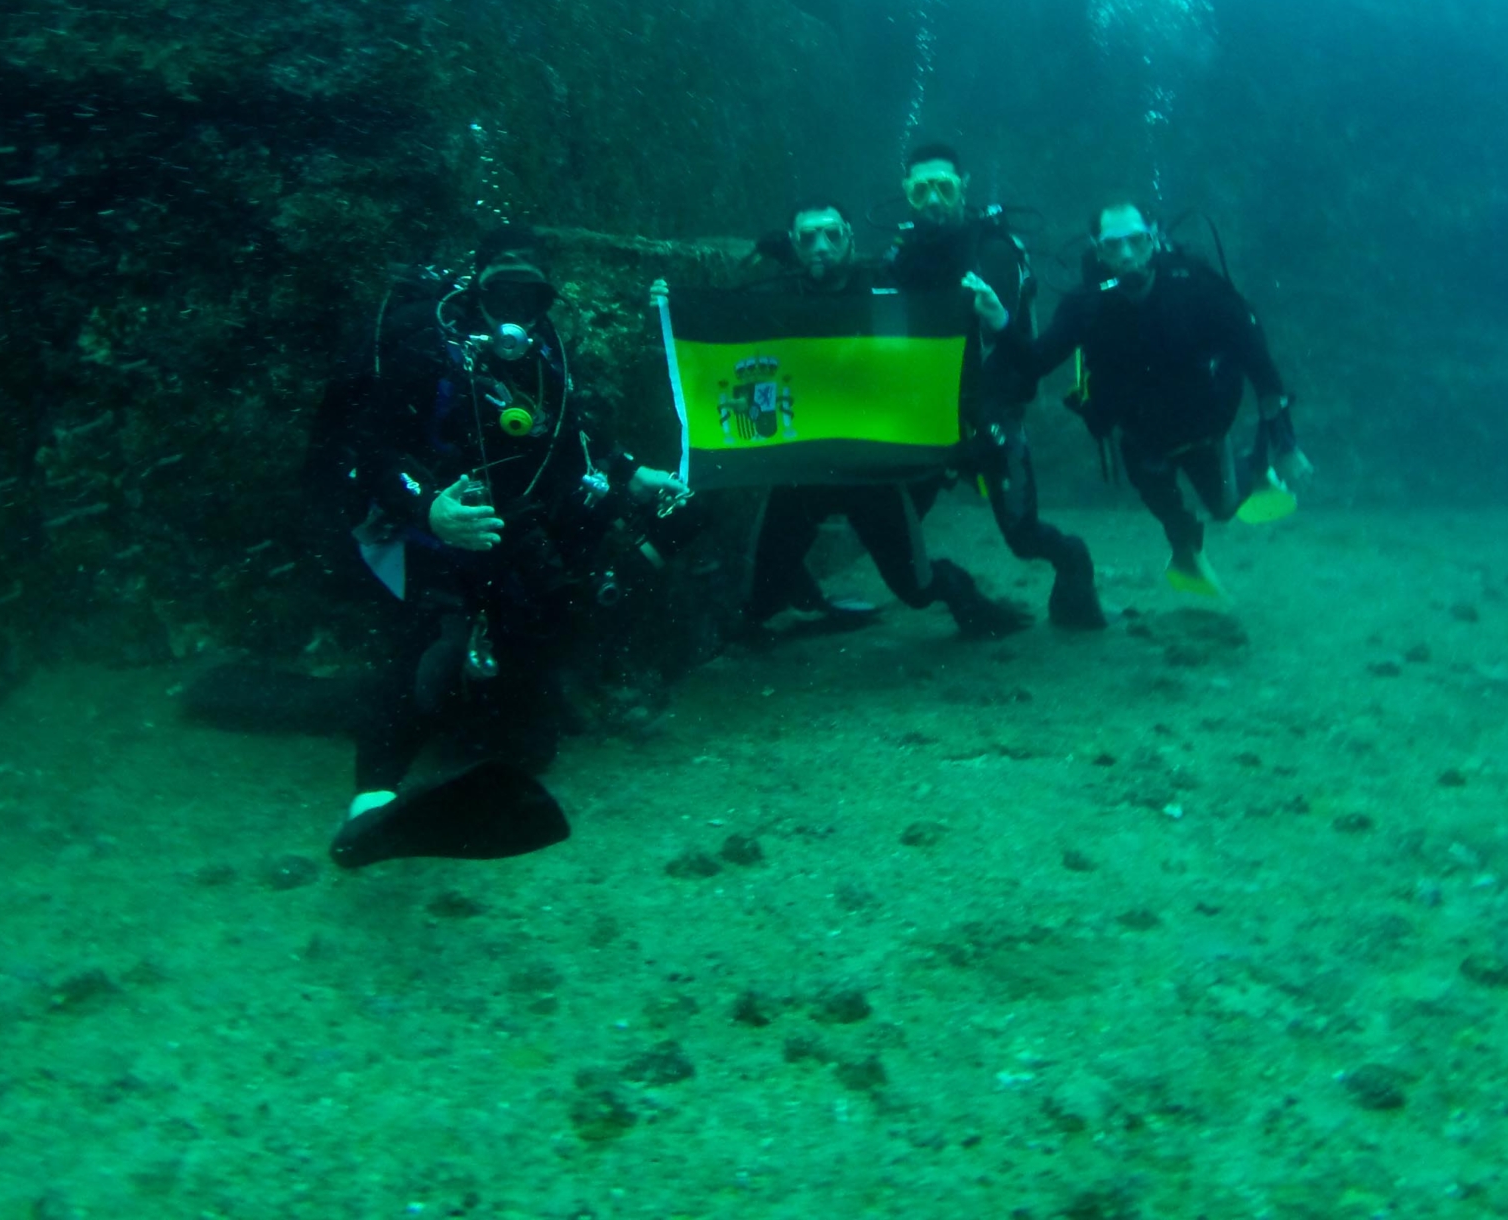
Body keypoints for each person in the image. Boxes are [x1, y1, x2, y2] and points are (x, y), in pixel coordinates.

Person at [332, 224, 687, 866]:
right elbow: (375, 448)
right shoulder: (427, 348)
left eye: (529, 301)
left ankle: (487, 711)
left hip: (511, 532)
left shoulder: (547, 351)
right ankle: (369, 805)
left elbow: (577, 436)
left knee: (531, 740)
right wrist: (429, 509)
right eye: (503, 299)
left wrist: (632, 473)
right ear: (477, 291)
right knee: (431, 642)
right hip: (432, 532)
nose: (515, 319)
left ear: (544, 301)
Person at [733, 204, 1031, 640]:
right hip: (803, 469)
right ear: (794, 246)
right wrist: (671, 310)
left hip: (872, 471)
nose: (822, 247)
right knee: (756, 600)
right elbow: (726, 336)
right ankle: (803, 596)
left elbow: (927, 350)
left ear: (851, 239)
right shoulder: (776, 296)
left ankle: (968, 599)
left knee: (918, 587)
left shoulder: (887, 289)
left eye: (832, 235)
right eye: (809, 238)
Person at [1011, 201, 1309, 593]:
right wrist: (1002, 323)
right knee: (1168, 510)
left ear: (1153, 239)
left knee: (1223, 507)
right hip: (1142, 435)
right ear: (1097, 250)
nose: (1127, 255)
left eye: (1136, 241)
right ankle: (1186, 545)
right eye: (1113, 246)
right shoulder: (1086, 306)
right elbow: (1037, 361)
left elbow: (1256, 358)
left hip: (1203, 429)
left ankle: (1255, 470)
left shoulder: (1196, 286)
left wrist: (1284, 441)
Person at [885, 143, 1097, 629]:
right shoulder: (901, 253)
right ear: (907, 194)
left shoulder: (995, 250)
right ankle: (963, 597)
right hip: (923, 413)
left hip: (990, 412)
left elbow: (1022, 347)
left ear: (964, 186)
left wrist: (997, 322)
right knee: (894, 531)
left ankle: (1072, 561)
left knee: (1023, 537)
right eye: (921, 189)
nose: (933, 198)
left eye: (943, 186)